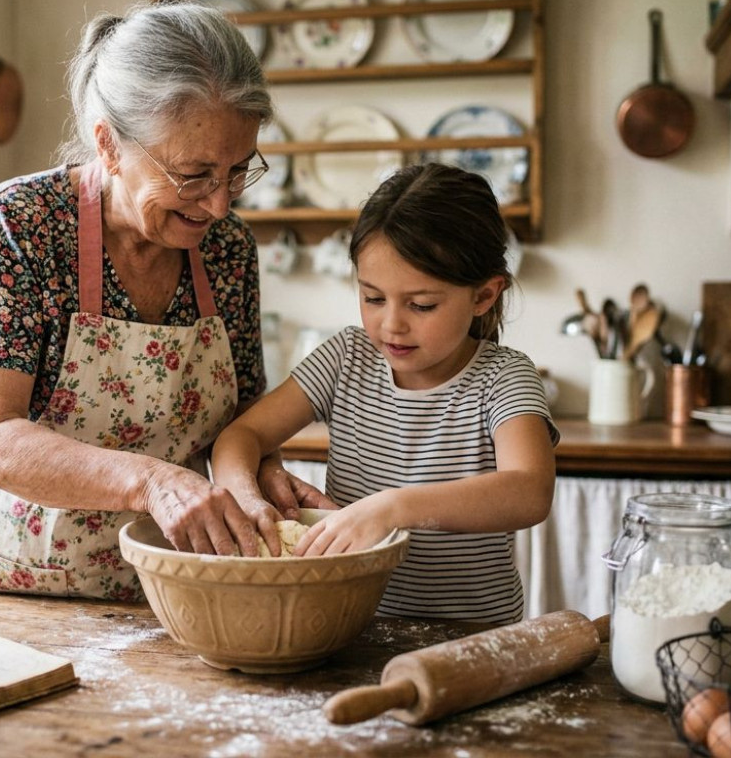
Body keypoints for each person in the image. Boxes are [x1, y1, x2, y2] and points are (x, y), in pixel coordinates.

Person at [0, 1, 313, 602]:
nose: (218, 206)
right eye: (194, 174)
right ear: (108, 145)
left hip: (162, 586)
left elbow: (239, 422)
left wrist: (262, 481)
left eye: (237, 172)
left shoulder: (228, 250)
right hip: (9, 585)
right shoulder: (20, 224)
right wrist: (153, 482)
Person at [211, 163, 558, 624]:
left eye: (421, 305)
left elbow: (528, 491)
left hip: (469, 638)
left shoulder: (503, 378)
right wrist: (246, 497)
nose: (391, 324)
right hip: (347, 623)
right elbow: (242, 436)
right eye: (373, 298)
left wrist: (392, 507)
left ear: (483, 296)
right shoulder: (345, 359)